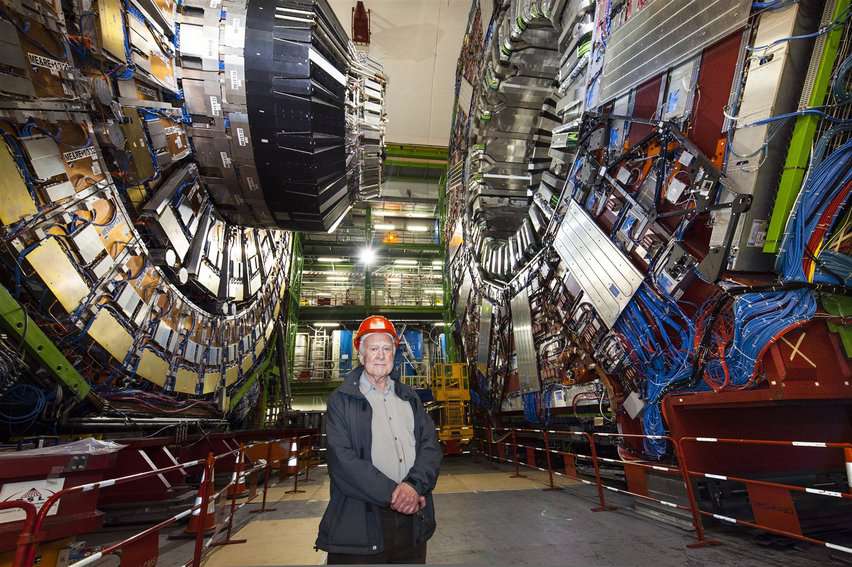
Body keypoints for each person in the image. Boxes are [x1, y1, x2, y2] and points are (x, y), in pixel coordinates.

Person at [316, 315, 442, 564]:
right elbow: (343, 462)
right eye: (373, 348)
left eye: (387, 348)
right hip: (360, 523)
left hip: (412, 522)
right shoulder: (341, 400)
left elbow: (431, 447)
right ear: (361, 355)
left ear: (394, 353)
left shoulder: (410, 399)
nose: (380, 355)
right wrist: (395, 494)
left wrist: (413, 487)